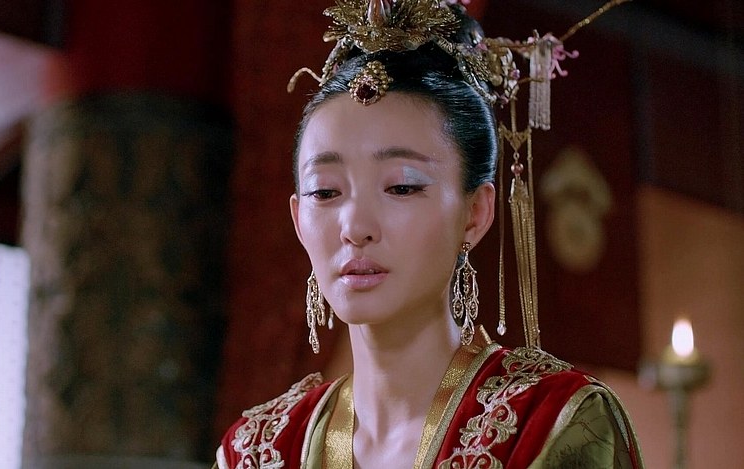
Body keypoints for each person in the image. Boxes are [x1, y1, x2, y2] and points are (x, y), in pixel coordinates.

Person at [215, 0, 644, 467]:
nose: (355, 229)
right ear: (299, 220)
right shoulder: (255, 449)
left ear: (475, 213)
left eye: (401, 187)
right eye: (326, 192)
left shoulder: (552, 423)